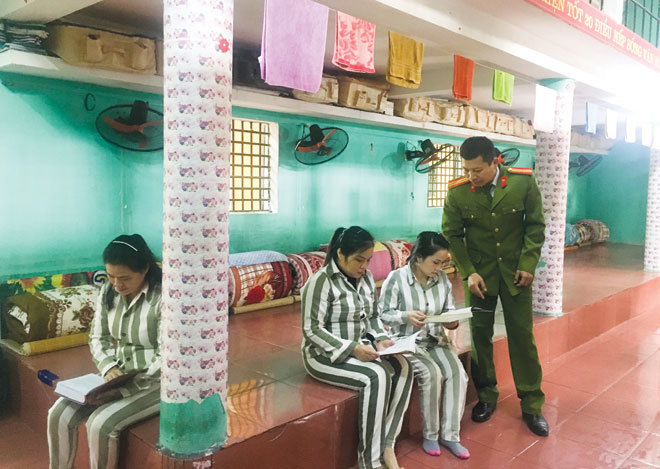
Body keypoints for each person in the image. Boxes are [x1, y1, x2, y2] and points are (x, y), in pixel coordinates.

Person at [441, 136, 549, 437]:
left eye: (477, 170)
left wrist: (528, 264)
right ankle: (487, 396)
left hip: (517, 274)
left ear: (495, 161)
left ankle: (531, 402)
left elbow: (535, 226)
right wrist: (469, 272)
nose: (471, 176)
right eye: (467, 170)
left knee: (522, 336)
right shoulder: (459, 192)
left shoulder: (523, 184)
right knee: (480, 336)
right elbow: (452, 234)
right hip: (479, 277)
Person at [301, 226, 413, 469]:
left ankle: (387, 445)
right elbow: (312, 330)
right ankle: (369, 462)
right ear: (340, 254)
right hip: (323, 355)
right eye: (359, 260)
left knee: (405, 367)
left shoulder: (366, 279)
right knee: (377, 376)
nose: (364, 266)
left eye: (369, 260)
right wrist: (353, 348)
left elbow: (372, 317)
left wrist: (381, 339)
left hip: (360, 346)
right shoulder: (321, 282)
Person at [48, 234, 162, 469]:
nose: (117, 284)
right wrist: (109, 368)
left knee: (100, 423)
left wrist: (125, 386)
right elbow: (98, 338)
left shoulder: (163, 298)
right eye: (110, 276)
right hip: (116, 377)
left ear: (145, 268)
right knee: (58, 414)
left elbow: (169, 354)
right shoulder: (108, 292)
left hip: (155, 382)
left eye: (125, 278)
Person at [379, 231, 470, 459]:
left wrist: (451, 320)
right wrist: (405, 316)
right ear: (418, 257)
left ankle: (450, 435)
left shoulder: (442, 280)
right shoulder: (396, 279)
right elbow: (383, 314)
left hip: (436, 340)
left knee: (458, 373)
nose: (439, 268)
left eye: (443, 263)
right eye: (435, 262)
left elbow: (448, 309)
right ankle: (430, 434)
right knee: (431, 374)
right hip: (408, 341)